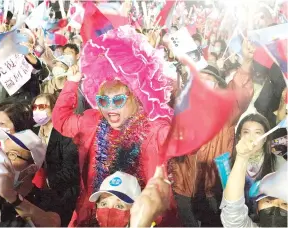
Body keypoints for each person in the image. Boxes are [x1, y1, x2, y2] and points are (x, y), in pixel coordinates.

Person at [52, 25, 182, 226]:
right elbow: (62, 121)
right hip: (94, 216)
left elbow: (184, 139)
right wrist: (71, 83)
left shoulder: (155, 129)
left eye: (118, 100)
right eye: (104, 101)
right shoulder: (92, 122)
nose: (110, 108)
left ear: (136, 97)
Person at [170, 39, 255, 227]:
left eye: (211, 82)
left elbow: (241, 91)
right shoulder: (179, 106)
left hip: (212, 193)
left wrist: (247, 62)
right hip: (181, 191)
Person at [220, 114, 287, 227]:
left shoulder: (280, 163)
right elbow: (230, 207)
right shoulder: (228, 164)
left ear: (265, 138)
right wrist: (242, 157)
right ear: (239, 136)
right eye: (246, 132)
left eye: (257, 133)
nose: (251, 138)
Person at [0, 129, 61, 227]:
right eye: (2, 153)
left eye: (12, 155)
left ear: (31, 168)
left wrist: (11, 196)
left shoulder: (47, 199)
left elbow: (52, 223)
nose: (3, 159)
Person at [31, 93, 80, 226]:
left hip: (64, 195)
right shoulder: (32, 134)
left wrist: (46, 181)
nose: (37, 111)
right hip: (39, 194)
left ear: (54, 109)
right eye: (34, 107)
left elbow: (72, 171)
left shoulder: (66, 134)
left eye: (42, 107)